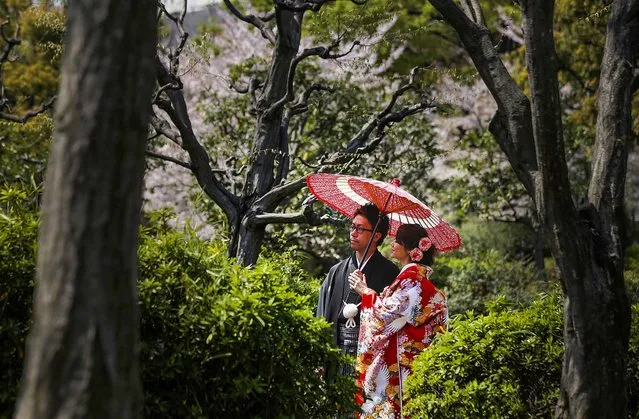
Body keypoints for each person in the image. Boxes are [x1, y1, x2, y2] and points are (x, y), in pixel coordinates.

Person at [348, 223, 448, 418]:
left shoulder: (411, 280)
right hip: (414, 364)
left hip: (397, 363)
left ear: (411, 250)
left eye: (398, 241)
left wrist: (365, 292)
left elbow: (385, 315)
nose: (392, 244)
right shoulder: (420, 282)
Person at [317, 203, 400, 378]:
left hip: (369, 359)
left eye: (360, 229)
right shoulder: (336, 271)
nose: (353, 233)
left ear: (376, 235)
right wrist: (319, 356)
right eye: (352, 226)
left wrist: (366, 291)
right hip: (336, 354)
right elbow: (322, 314)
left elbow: (392, 318)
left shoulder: (390, 273)